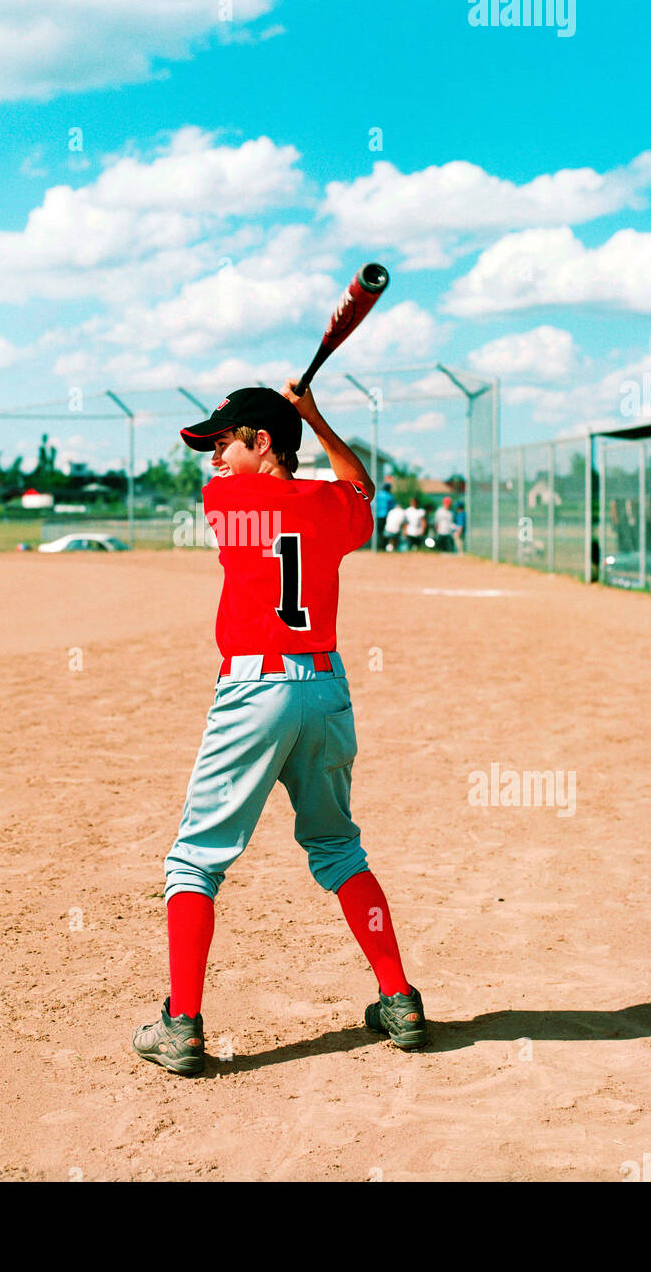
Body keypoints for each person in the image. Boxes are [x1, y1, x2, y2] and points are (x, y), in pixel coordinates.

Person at [131, 384, 426, 1076]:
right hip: (324, 688)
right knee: (339, 850)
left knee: (194, 861)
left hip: (255, 690)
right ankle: (398, 997)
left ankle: (182, 1025)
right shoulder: (329, 506)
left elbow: (278, 505)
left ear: (261, 441)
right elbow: (363, 488)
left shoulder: (227, 503)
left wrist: (297, 419)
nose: (213, 463)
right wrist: (315, 415)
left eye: (223, 444)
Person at [372, 479, 396, 549]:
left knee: (379, 532)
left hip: (377, 516)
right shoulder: (389, 496)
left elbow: (372, 504)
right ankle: (383, 546)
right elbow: (392, 507)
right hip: (386, 516)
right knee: (385, 532)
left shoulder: (377, 495)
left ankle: (379, 546)